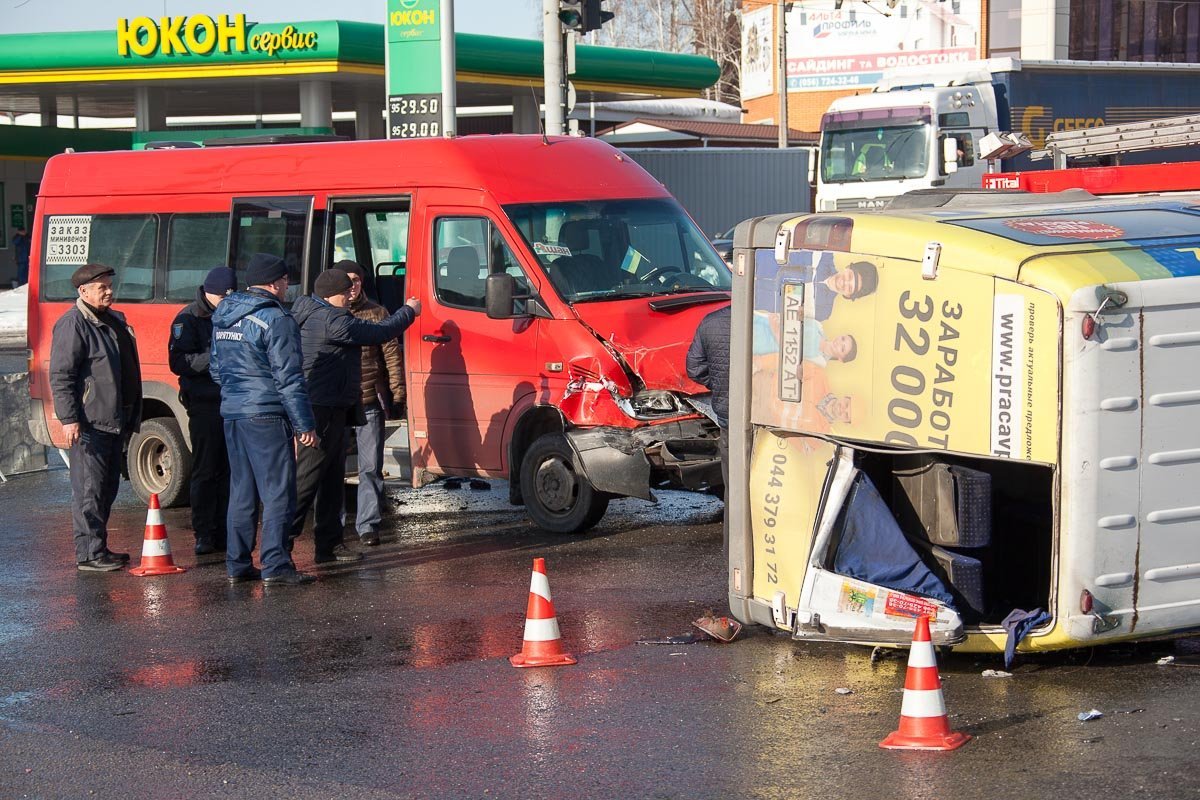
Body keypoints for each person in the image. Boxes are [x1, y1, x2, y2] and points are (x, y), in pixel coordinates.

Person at [289, 268, 420, 564]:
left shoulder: (315, 310)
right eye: (344, 292)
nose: (349, 297)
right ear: (329, 295)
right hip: (322, 411)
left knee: (331, 479)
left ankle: (329, 546)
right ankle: (279, 548)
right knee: (306, 481)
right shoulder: (332, 319)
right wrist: (409, 311)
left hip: (335, 408)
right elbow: (378, 332)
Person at [210, 253, 318, 586]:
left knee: (242, 492)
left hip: (233, 412)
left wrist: (238, 393)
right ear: (275, 282)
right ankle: (276, 564)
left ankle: (237, 563)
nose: (288, 285)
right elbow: (289, 378)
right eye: (285, 280)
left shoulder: (224, 315)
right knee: (278, 493)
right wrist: (304, 424)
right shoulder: (276, 319)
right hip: (267, 415)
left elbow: (216, 369)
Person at [49, 263, 143, 572]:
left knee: (106, 489)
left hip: (114, 419)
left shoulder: (113, 319)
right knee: (89, 490)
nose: (109, 291)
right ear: (83, 291)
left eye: (109, 286)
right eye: (102, 287)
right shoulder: (73, 324)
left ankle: (99, 547)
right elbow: (61, 376)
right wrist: (69, 418)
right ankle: (89, 553)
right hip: (91, 422)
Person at [168, 266, 236, 556]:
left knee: (229, 471)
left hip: (232, 402)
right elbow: (178, 362)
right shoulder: (188, 318)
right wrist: (217, 358)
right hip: (204, 403)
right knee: (206, 470)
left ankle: (224, 531)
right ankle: (204, 533)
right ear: (209, 292)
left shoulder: (233, 313)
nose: (227, 301)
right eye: (223, 297)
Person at [341, 260, 406, 547]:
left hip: (369, 400)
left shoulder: (378, 313)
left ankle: (367, 525)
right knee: (332, 468)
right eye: (347, 280)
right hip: (338, 404)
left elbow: (392, 356)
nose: (352, 286)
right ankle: (333, 527)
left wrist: (398, 394)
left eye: (356, 280)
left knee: (370, 467)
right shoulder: (327, 314)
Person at [686, 304, 731, 548]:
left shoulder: (711, 322)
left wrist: (720, 385)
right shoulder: (768, 319)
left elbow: (694, 369)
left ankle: (732, 554)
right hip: (766, 419)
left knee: (733, 488)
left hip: (729, 418)